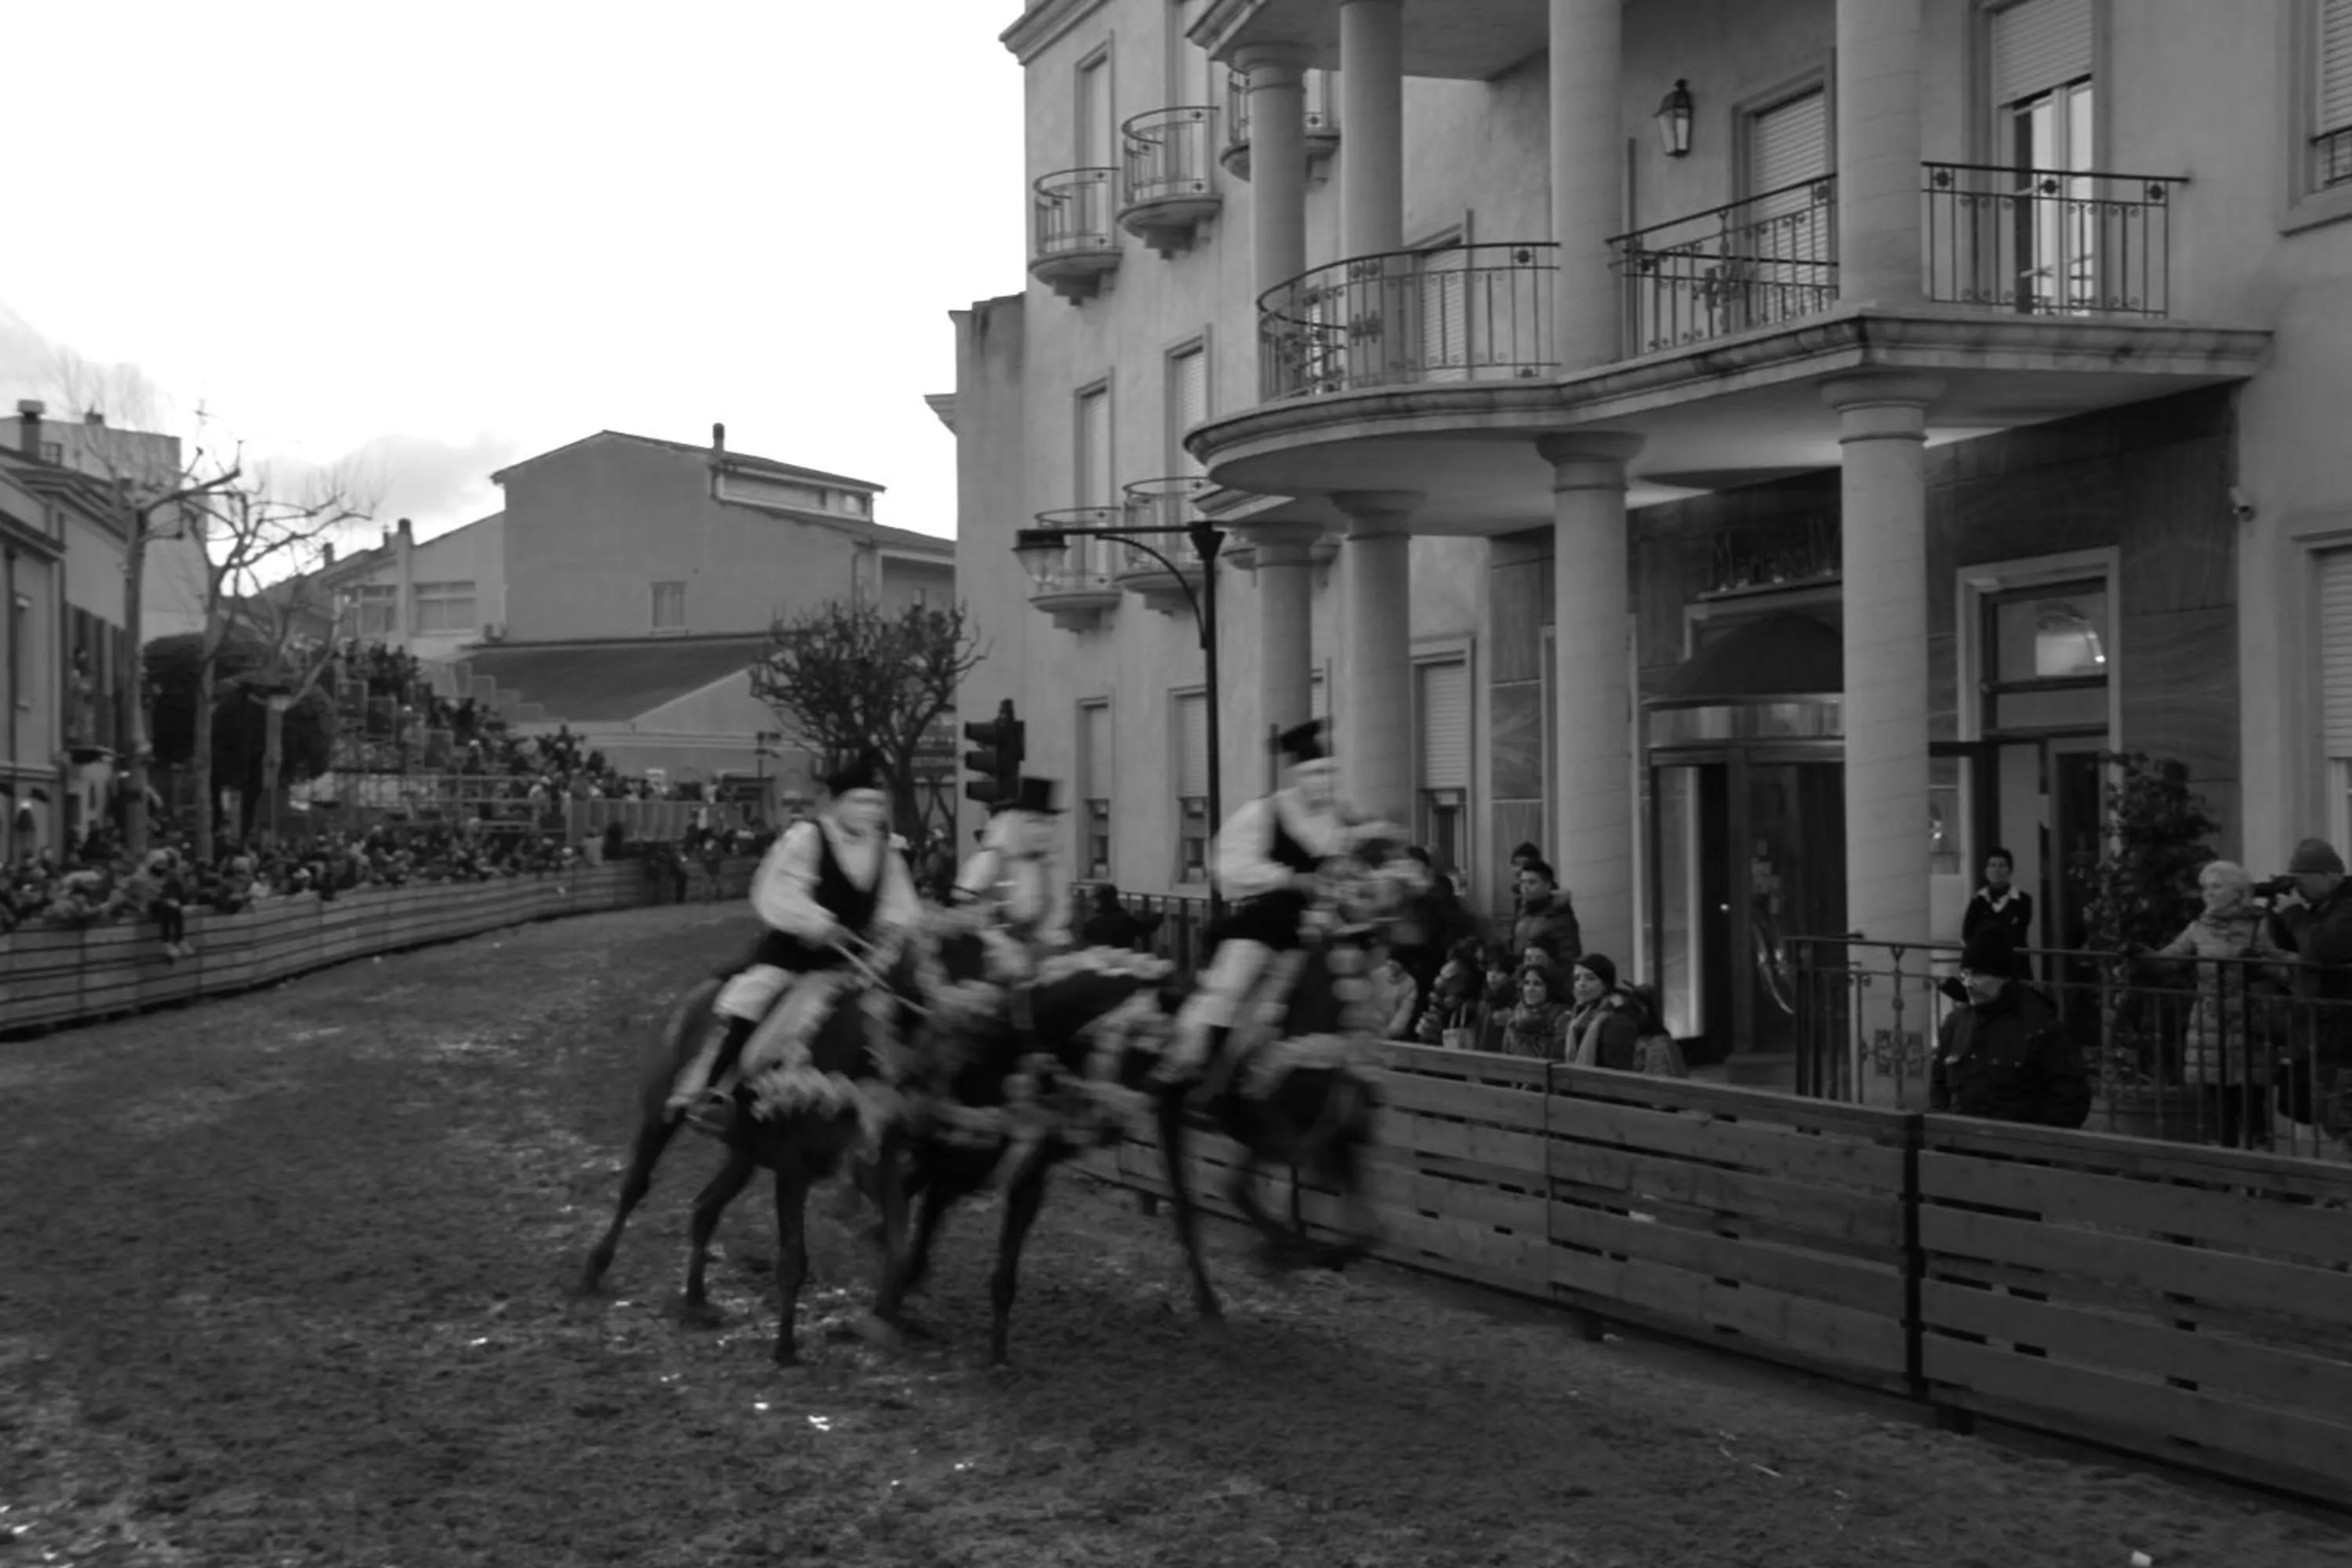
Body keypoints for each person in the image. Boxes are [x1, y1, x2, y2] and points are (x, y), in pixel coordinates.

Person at [664, 750, 920, 1124]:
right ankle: (711, 1089)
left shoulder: (886, 851)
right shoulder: (807, 839)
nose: (871, 810)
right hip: (794, 956)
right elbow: (777, 889)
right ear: (838, 803)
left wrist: (894, 932)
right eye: (861, 801)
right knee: (750, 999)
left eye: (877, 802)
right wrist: (817, 923)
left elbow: (902, 906)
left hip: (853, 964)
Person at [1157, 719, 1356, 1091]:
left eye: (1329, 773)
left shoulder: (1340, 822)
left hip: (1316, 931)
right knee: (1230, 986)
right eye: (1314, 774)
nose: (1323, 782)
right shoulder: (1267, 812)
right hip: (1265, 922)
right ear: (1298, 775)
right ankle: (1188, 1063)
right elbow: (1228, 864)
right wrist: (1289, 878)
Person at [1929, 924, 2091, 1127]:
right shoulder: (1957, 1022)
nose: (1969, 983)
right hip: (1959, 1145)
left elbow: (2069, 1099)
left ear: (2004, 977)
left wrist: (2030, 1145)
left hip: (2016, 1149)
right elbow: (1939, 1084)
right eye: (1965, 975)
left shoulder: (2040, 1026)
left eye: (1978, 975)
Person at [951, 776, 1072, 982]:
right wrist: (996, 942)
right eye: (1033, 821)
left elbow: (1054, 927)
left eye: (1049, 823)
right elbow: (961, 915)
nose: (1043, 831)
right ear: (1015, 822)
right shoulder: (989, 862)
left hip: (1036, 972)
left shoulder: (1052, 871)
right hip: (984, 971)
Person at [1511, 859, 1583, 974]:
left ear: (1547, 885)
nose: (1525, 887)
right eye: (1522, 882)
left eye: (1532, 882)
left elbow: (1569, 961)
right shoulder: (1522, 912)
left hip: (1548, 982)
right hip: (1523, 982)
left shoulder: (1561, 916)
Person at [1962, 848, 2034, 946]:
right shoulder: (1978, 899)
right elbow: (1967, 934)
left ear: (2010, 870)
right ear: (1986, 871)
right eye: (1992, 865)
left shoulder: (2023, 900)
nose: (1997, 869)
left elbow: (2018, 933)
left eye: (2002, 865)